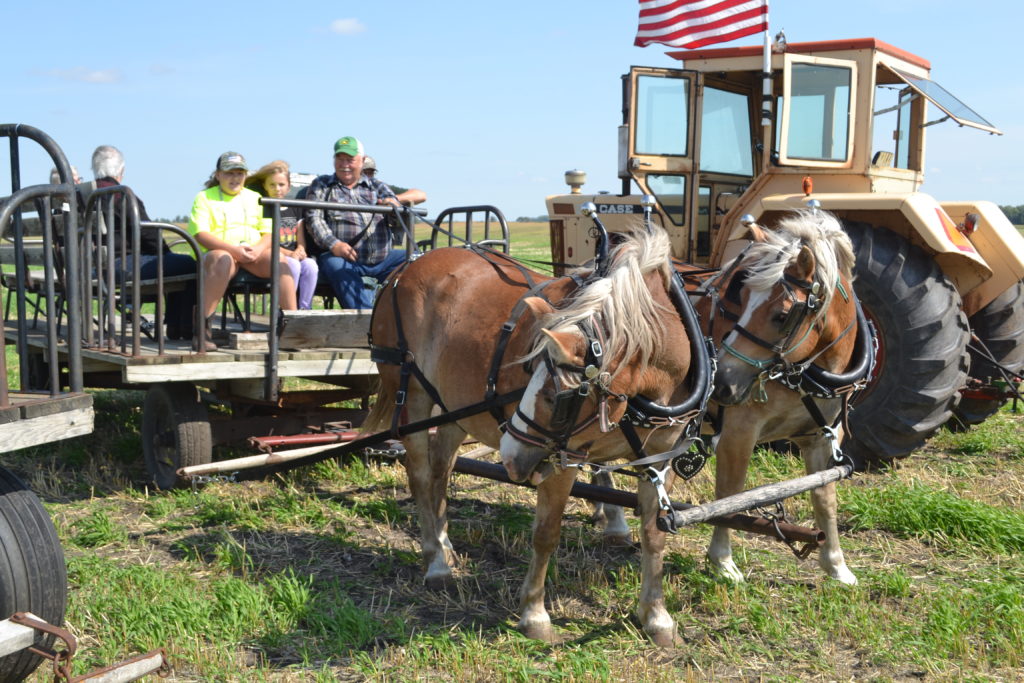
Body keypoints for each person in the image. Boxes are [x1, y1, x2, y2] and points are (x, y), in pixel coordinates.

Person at [188, 151, 297, 350]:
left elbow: (269, 233)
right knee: (222, 259)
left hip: (252, 253)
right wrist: (233, 250)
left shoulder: (256, 197)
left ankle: (294, 329)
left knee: (279, 260)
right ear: (218, 175)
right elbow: (200, 234)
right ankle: (202, 329)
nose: (235, 178)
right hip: (222, 252)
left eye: (239, 173)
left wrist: (256, 249)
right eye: (229, 173)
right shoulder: (204, 198)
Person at [91, 145, 199, 340]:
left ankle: (177, 326)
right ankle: (182, 328)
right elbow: (149, 234)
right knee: (190, 265)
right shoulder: (122, 195)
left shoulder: (83, 195)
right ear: (121, 171)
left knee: (175, 265)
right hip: (120, 265)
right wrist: (166, 254)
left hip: (93, 267)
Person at [305, 136, 425, 309]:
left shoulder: (377, 187)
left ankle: (412, 317)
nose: (344, 164)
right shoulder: (322, 185)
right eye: (339, 159)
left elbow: (398, 219)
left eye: (350, 159)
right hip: (344, 258)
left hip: (382, 259)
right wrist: (334, 244)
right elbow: (313, 219)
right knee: (336, 265)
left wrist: (394, 205)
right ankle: (367, 322)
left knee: (417, 260)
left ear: (362, 161)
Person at [246, 160, 318, 309]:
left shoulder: (295, 207)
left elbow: (300, 231)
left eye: (281, 185)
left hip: (294, 253)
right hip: (277, 255)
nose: (277, 189)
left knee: (311, 266)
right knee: (293, 266)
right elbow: (266, 240)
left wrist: (301, 248)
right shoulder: (264, 208)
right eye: (272, 185)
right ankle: (286, 310)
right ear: (265, 186)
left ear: (288, 186)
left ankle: (305, 309)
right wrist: (289, 254)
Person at [361, 156, 426, 206]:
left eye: (369, 173)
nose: (366, 176)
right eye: (363, 173)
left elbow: (421, 195)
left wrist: (391, 199)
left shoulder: (381, 188)